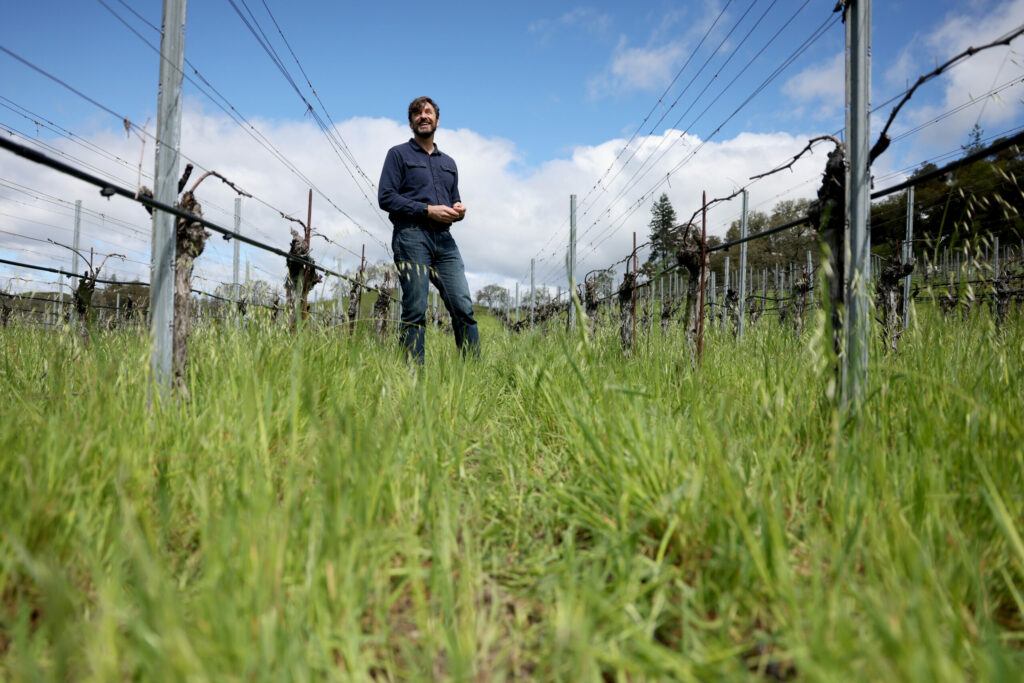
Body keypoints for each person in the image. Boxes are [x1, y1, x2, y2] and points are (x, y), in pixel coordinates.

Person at [378, 96, 480, 364]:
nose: (423, 116)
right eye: (417, 113)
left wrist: (458, 210)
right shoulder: (398, 154)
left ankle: (474, 373)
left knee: (463, 307)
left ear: (437, 120)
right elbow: (386, 197)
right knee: (415, 309)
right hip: (411, 235)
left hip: (445, 241)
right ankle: (412, 377)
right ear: (411, 122)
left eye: (428, 112)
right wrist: (426, 210)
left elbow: (453, 199)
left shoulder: (449, 163)